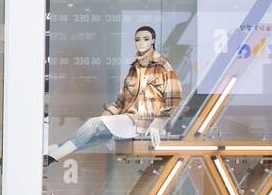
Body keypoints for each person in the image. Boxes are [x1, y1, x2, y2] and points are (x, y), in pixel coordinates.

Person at [46, 26, 181, 165]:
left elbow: (174, 98)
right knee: (91, 135)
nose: (141, 43)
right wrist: (105, 118)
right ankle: (46, 153)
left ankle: (52, 157)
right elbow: (120, 101)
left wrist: (157, 123)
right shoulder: (134, 68)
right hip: (129, 120)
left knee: (93, 124)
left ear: (153, 40)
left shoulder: (162, 66)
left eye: (146, 39)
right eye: (137, 39)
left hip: (145, 123)